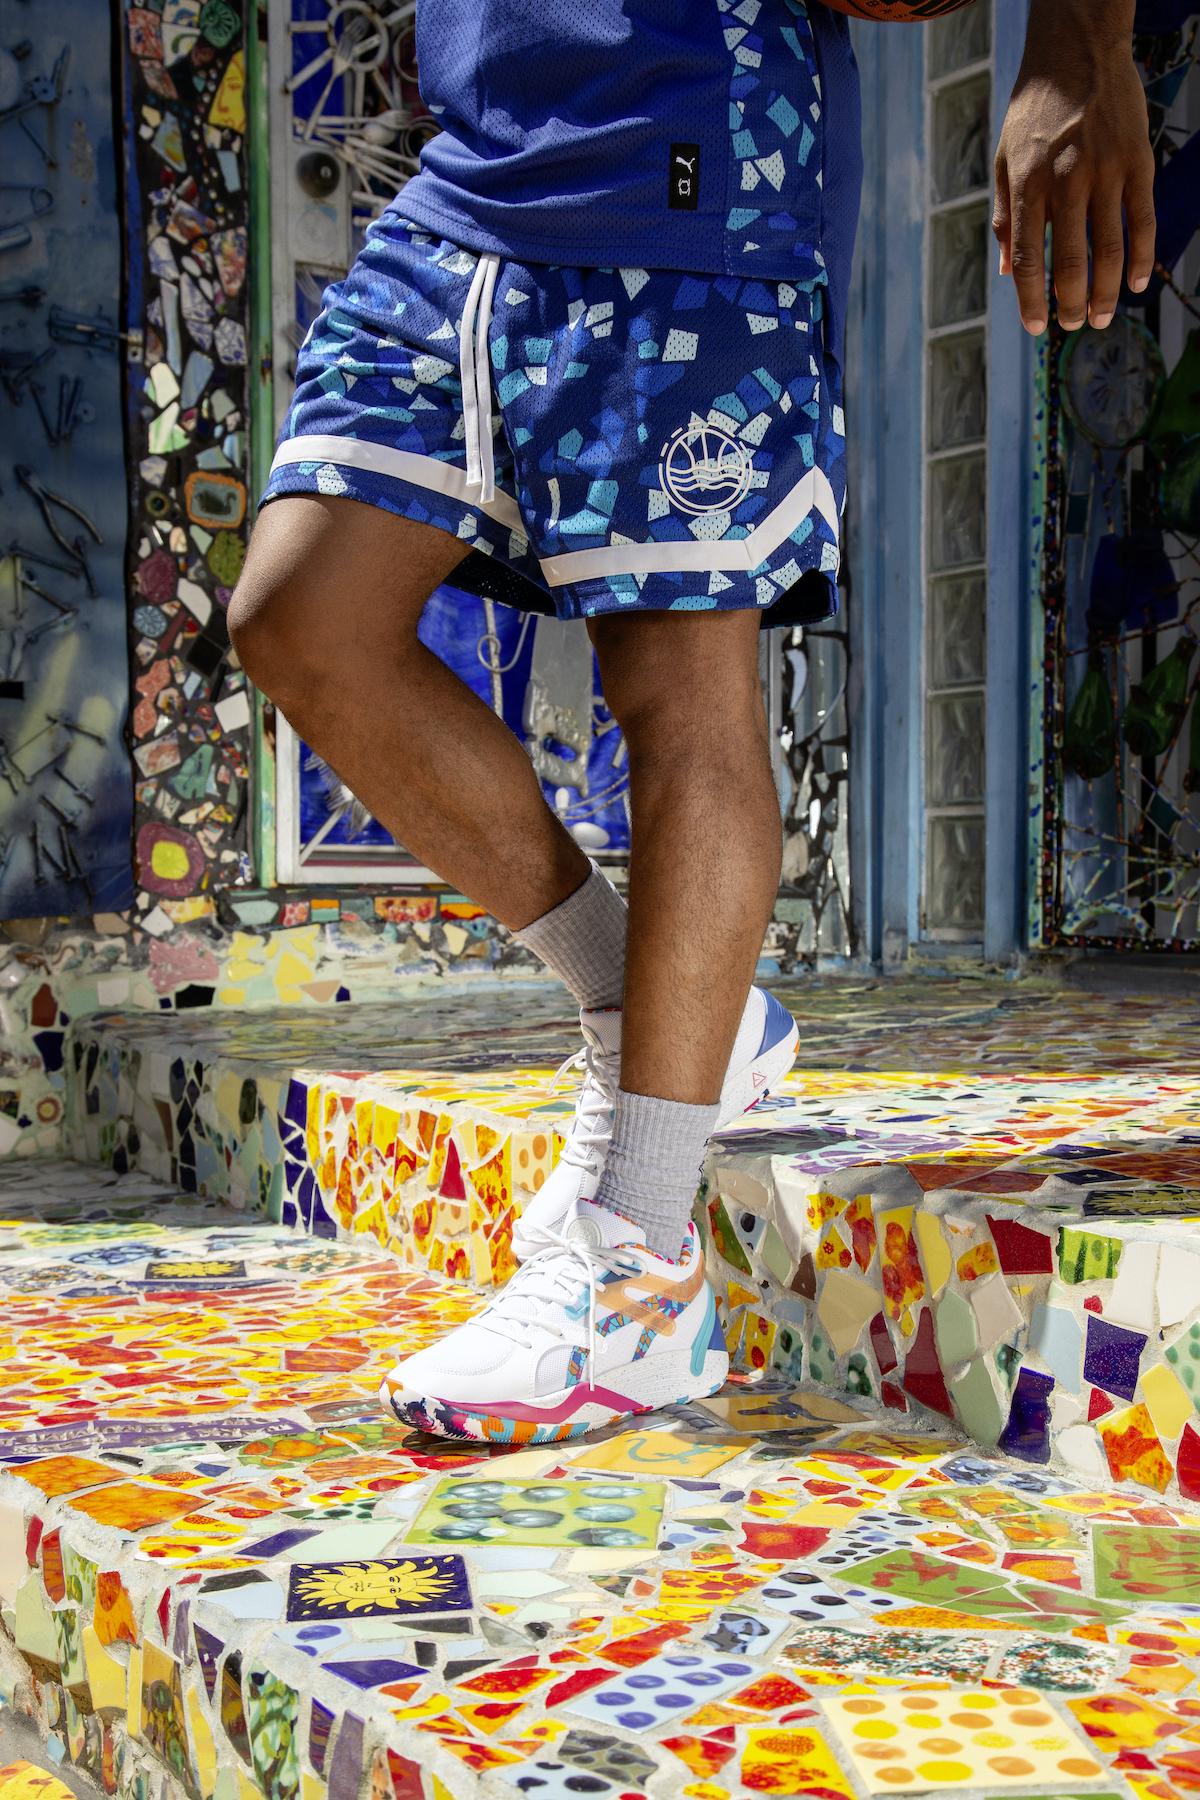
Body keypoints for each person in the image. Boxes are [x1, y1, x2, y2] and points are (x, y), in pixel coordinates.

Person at [229, 0, 1155, 1444]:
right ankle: (660, 1009)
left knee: (677, 690)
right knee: (300, 622)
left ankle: (640, 1272)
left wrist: (1077, 42)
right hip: (477, 169)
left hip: (688, 160)